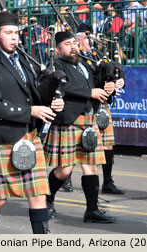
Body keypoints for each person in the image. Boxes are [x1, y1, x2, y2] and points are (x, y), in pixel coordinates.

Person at [0, 12, 64, 234]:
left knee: (38, 194)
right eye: (8, 33)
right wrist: (30, 110)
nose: (14, 38)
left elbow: (35, 95)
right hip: (3, 138)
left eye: (16, 33)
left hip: (30, 137)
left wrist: (53, 101)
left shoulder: (24, 61)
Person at [42, 31, 117, 223]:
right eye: (68, 44)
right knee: (64, 170)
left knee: (91, 166)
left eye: (75, 43)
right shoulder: (56, 66)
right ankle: (47, 199)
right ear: (58, 50)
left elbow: (98, 82)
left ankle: (92, 211)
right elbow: (63, 86)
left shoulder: (85, 65)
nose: (73, 46)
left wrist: (109, 86)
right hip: (69, 121)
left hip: (88, 122)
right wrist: (90, 92)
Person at [76, 23, 125, 195]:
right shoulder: (77, 58)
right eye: (87, 38)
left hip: (102, 103)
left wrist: (120, 81)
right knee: (82, 147)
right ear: (78, 40)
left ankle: (108, 182)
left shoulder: (98, 54)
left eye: (91, 38)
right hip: (86, 106)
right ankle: (65, 178)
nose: (91, 42)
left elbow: (116, 68)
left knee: (108, 145)